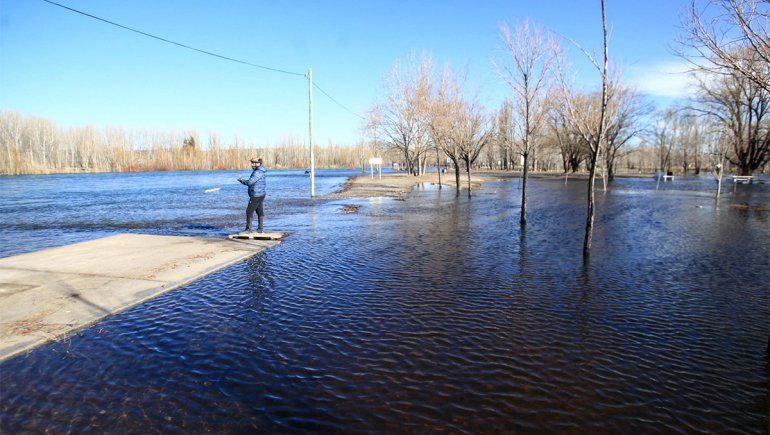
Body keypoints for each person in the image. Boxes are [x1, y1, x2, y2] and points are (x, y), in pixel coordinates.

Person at [237, 158, 267, 234]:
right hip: (261, 194)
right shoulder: (261, 171)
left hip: (256, 195)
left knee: (249, 211)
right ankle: (260, 229)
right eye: (252, 163)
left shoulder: (257, 172)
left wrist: (241, 180)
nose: (252, 164)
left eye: (254, 163)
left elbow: (250, 182)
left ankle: (248, 230)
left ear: (259, 164)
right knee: (259, 211)